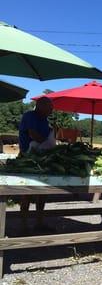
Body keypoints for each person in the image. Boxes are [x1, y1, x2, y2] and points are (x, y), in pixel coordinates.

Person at [19, 97, 55, 231]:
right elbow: (33, 134)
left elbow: (46, 137)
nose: (51, 110)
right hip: (28, 158)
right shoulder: (30, 116)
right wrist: (49, 146)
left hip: (42, 158)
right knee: (27, 192)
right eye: (50, 108)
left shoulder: (45, 120)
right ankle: (23, 225)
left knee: (42, 192)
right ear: (41, 106)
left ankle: (39, 223)